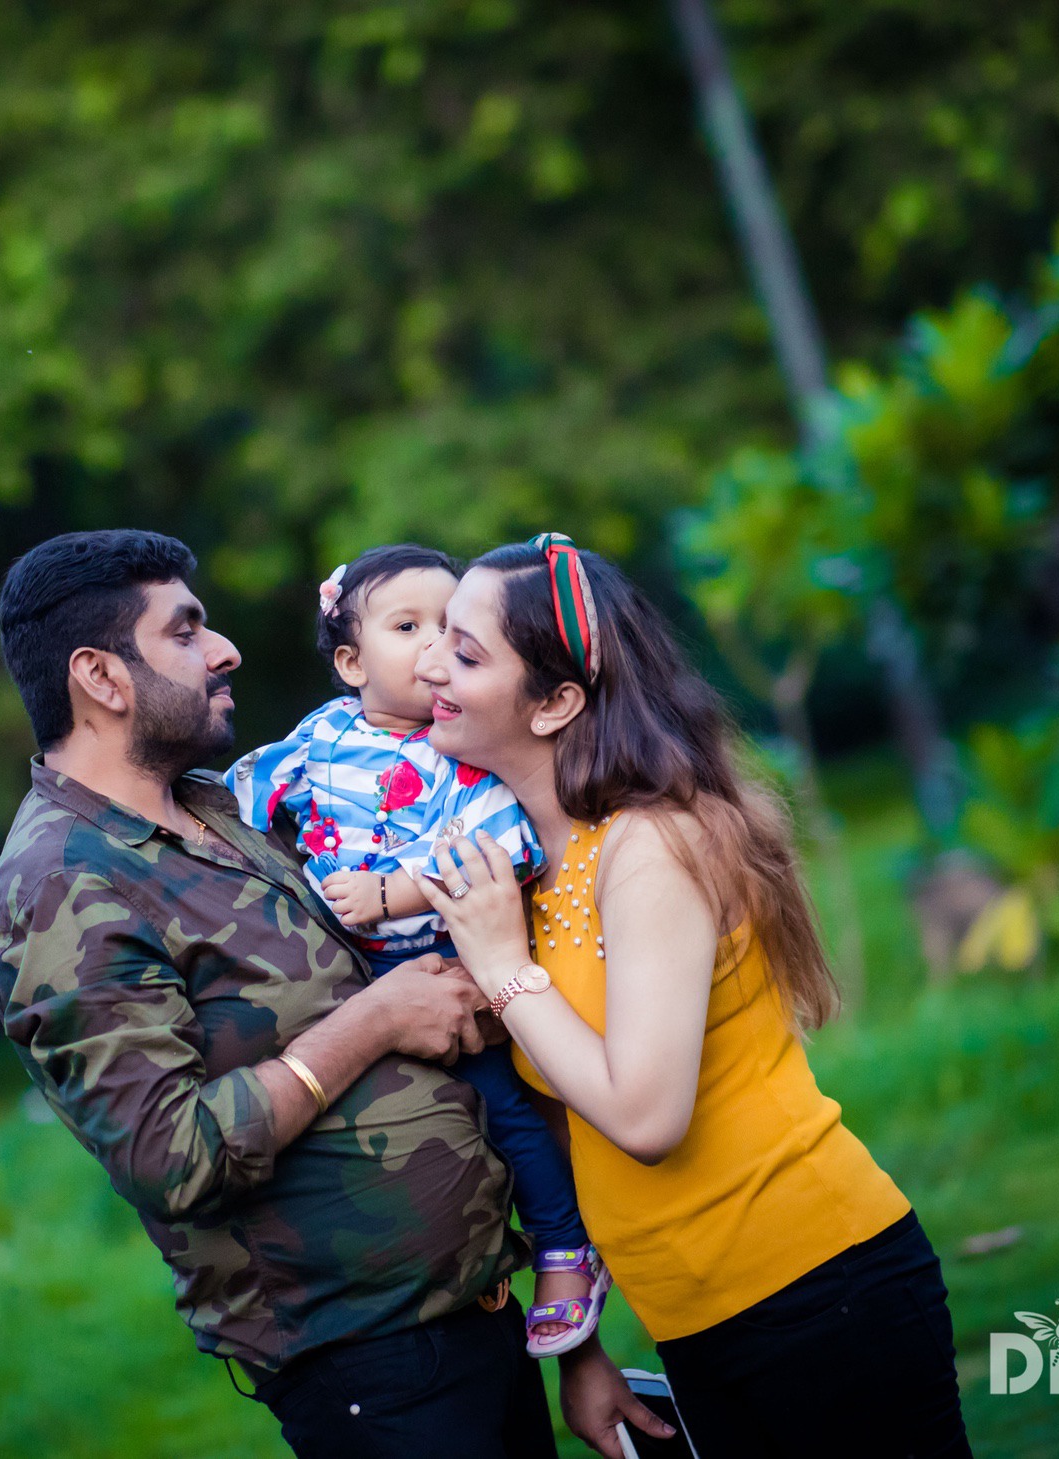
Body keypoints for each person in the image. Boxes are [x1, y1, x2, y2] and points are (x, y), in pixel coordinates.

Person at [0, 530, 632, 1458]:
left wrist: (576, 1348)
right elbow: (173, 1156)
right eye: (186, 631)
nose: (224, 650)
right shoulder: (57, 886)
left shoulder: (224, 810)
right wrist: (375, 1020)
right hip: (367, 1366)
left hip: (477, 1319)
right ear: (101, 676)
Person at [409, 533, 973, 1458]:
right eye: (435, 637)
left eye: (465, 652)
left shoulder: (652, 846)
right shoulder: (535, 872)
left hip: (813, 1285)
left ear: (555, 702)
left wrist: (505, 971)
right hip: (698, 1316)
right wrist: (580, 1350)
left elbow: (644, 1113)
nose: (430, 663)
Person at [228, 544, 606, 1359]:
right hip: (352, 980)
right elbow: (244, 795)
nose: (434, 649)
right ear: (349, 661)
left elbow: (507, 849)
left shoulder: (457, 751)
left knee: (506, 1110)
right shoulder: (322, 735)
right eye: (408, 627)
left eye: (451, 629)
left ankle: (564, 1245)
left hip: (445, 968)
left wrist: (392, 892)